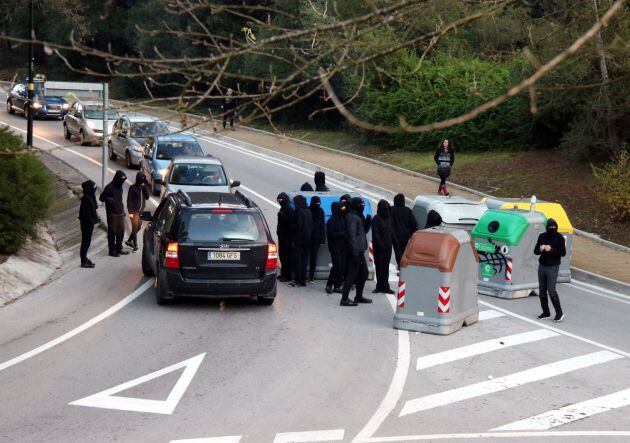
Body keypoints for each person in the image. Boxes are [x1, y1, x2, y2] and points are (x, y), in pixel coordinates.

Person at [341, 197, 372, 306]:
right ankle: (344, 299)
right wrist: (354, 253)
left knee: (364, 273)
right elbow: (352, 236)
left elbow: (363, 231)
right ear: (356, 206)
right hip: (354, 251)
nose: (363, 208)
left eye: (363, 206)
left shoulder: (359, 215)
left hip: (359, 251)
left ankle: (358, 296)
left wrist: (368, 222)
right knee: (352, 275)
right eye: (361, 206)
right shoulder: (352, 217)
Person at [534, 218, 566, 322]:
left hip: (553, 267)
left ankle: (559, 313)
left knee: (551, 291)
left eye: (554, 228)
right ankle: (546, 312)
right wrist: (540, 248)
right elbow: (535, 251)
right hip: (542, 265)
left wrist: (551, 250)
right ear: (547, 228)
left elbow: (562, 253)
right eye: (550, 228)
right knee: (542, 292)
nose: (552, 230)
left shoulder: (560, 237)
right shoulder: (542, 236)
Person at [100, 170, 129, 257]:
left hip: (120, 213)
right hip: (112, 214)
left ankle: (119, 248)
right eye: (121, 180)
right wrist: (108, 199)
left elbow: (120, 200)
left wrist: (123, 210)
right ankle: (112, 250)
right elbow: (101, 198)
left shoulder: (120, 188)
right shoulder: (109, 187)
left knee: (121, 232)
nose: (122, 182)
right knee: (112, 233)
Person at [371, 199, 394, 294]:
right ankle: (379, 286)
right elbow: (375, 234)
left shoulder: (389, 218)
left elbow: (392, 232)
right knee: (379, 266)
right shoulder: (376, 219)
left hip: (388, 247)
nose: (386, 210)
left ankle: (385, 286)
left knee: (385, 267)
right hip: (379, 248)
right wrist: (381, 244)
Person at [325, 202, 347, 294]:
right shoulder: (331, 220)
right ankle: (329, 285)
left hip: (343, 246)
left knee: (342, 266)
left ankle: (337, 286)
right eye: (341, 208)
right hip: (335, 247)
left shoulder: (343, 219)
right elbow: (330, 234)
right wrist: (343, 234)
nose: (343, 210)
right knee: (337, 266)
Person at [78, 180, 100, 268]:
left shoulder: (90, 196)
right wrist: (91, 222)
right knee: (85, 242)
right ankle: (83, 261)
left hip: (89, 224)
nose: (94, 191)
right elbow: (86, 215)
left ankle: (85, 258)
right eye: (93, 189)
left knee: (87, 241)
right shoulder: (86, 199)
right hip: (86, 224)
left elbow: (95, 206)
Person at [291, 194, 312, 287]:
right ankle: (303, 280)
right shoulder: (308, 211)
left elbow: (298, 225)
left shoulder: (298, 211)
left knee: (298, 260)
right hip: (308, 239)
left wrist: (291, 228)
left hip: (299, 239)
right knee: (304, 260)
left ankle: (297, 280)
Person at [391, 193, 418, 267]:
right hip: (407, 236)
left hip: (396, 237)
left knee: (398, 252)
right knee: (405, 253)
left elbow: (390, 223)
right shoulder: (408, 210)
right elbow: (414, 223)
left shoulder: (392, 210)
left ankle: (401, 267)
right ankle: (404, 267)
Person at [126, 172, 150, 253]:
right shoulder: (132, 188)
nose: (143, 181)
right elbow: (129, 201)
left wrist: (145, 188)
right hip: (133, 212)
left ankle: (129, 241)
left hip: (140, 212)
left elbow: (147, 197)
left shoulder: (143, 188)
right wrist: (130, 212)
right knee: (134, 227)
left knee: (138, 227)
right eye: (142, 180)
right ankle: (135, 246)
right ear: (138, 179)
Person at [276, 192, 295, 282]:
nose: (279, 202)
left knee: (286, 257)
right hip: (282, 237)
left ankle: (287, 275)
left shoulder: (289, 209)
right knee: (282, 256)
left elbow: (291, 223)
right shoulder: (283, 207)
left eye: (280, 200)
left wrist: (282, 216)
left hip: (287, 238)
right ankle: (283, 273)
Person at [308, 196, 326, 283]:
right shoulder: (320, 211)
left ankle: (307, 275)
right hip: (315, 238)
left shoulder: (308, 210)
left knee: (307, 257)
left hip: (309, 238)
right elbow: (322, 226)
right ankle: (311, 276)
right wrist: (322, 239)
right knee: (313, 258)